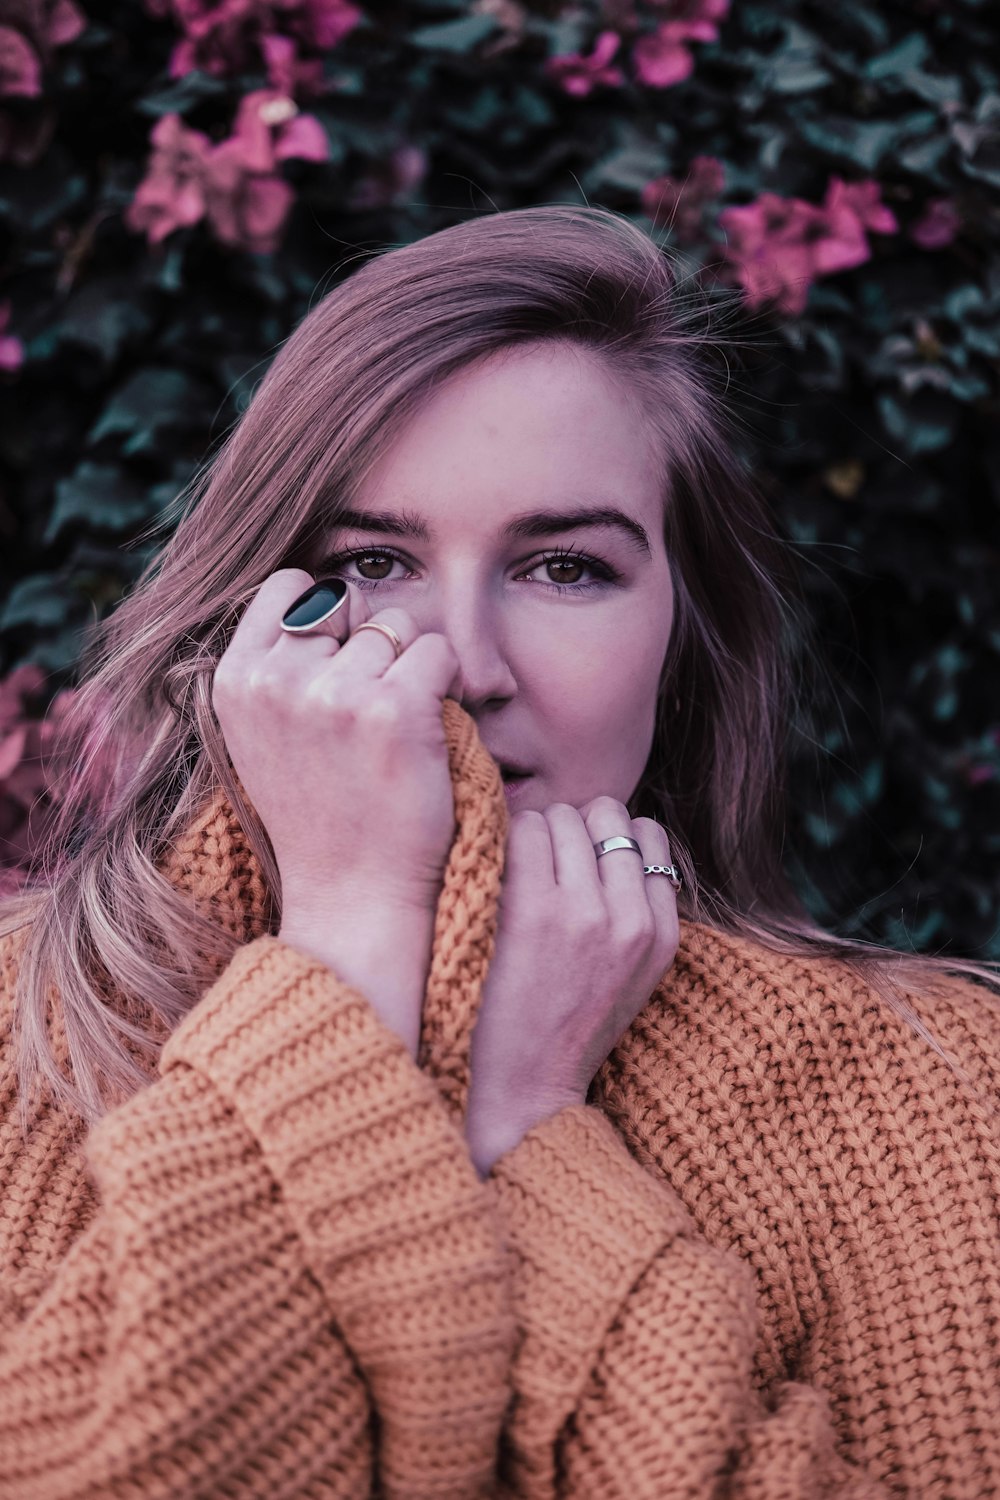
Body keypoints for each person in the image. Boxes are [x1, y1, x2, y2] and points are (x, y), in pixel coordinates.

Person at [0, 203, 998, 1500]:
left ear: (683, 638)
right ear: (251, 618)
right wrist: (351, 949)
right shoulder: (27, 1021)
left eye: (565, 568)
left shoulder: (937, 1093)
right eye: (370, 561)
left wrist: (533, 1135)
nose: (463, 663)